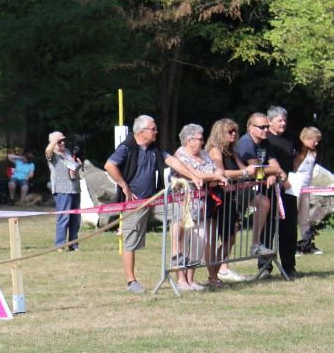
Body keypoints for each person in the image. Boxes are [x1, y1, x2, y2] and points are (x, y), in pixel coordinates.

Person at [103, 115, 203, 294]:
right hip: (134, 203)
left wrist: (193, 175)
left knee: (179, 212)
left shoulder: (154, 148)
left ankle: (175, 255)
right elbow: (109, 165)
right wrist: (124, 186)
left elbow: (172, 161)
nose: (156, 131)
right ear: (142, 132)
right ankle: (131, 281)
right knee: (130, 242)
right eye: (153, 129)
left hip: (155, 199)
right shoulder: (127, 147)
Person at [169, 123, 228, 291]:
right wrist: (215, 176)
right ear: (189, 140)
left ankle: (190, 279)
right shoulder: (179, 156)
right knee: (180, 243)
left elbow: (216, 170)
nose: (203, 142)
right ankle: (180, 280)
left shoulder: (203, 154)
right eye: (200, 139)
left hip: (202, 207)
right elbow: (198, 174)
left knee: (199, 244)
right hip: (182, 207)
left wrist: (216, 175)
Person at [204, 118, 254, 285]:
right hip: (218, 198)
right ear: (220, 133)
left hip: (231, 198)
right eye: (229, 131)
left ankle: (216, 273)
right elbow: (222, 172)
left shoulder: (231, 151)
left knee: (230, 238)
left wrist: (246, 173)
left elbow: (241, 170)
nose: (234, 134)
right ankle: (213, 275)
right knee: (218, 238)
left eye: (235, 131)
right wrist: (245, 172)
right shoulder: (215, 151)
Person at [235, 112, 284, 264]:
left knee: (263, 203)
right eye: (262, 127)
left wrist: (272, 174)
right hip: (235, 189)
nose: (266, 130)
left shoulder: (265, 142)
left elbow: (274, 165)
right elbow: (256, 169)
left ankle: (255, 244)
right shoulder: (246, 142)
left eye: (267, 127)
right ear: (251, 128)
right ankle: (220, 270)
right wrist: (273, 172)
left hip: (250, 189)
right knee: (231, 229)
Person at [264, 106, 299, 277]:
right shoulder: (264, 138)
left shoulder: (291, 137)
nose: (283, 123)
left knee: (289, 227)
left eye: (285, 120)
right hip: (269, 187)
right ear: (269, 121)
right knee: (267, 226)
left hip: (288, 187)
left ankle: (288, 266)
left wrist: (295, 169)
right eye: (280, 120)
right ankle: (264, 267)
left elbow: (301, 152)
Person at [45, 132, 81, 251]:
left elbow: (71, 166)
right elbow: (48, 151)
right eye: (59, 141)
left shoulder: (68, 152)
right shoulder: (53, 154)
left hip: (74, 189)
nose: (63, 143)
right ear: (53, 142)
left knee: (75, 219)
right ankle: (60, 245)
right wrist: (55, 141)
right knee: (64, 217)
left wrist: (78, 166)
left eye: (63, 140)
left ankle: (73, 245)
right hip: (62, 190)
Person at [292, 126, 322, 254]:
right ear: (306, 138)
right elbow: (294, 168)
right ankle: (291, 247)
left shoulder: (313, 152)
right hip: (295, 186)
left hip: (306, 187)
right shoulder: (299, 152)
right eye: (314, 140)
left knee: (305, 217)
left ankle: (306, 244)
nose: (316, 143)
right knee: (292, 217)